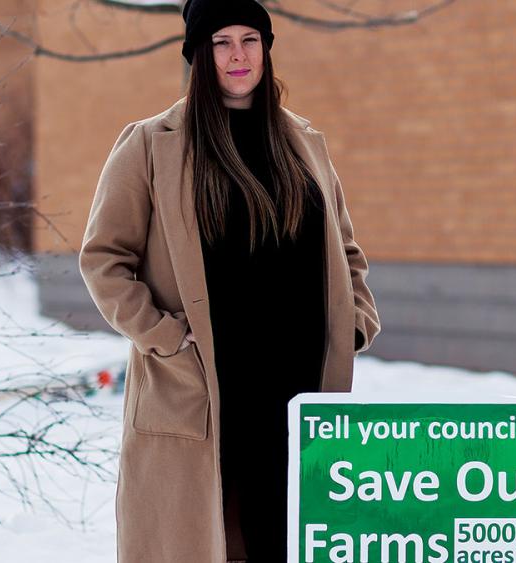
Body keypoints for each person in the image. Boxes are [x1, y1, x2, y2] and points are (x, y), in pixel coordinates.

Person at [79, 0, 379, 561]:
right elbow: (104, 259)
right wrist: (161, 336)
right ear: (198, 54)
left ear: (266, 48)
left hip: (297, 391)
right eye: (221, 42)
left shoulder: (304, 143)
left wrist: (354, 324)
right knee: (208, 540)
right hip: (202, 389)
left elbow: (346, 250)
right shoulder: (151, 145)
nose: (238, 55)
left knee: (287, 539)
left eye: (250, 39)